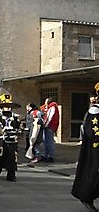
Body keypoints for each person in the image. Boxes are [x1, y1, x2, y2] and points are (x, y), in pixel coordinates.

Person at [71, 82, 99, 212]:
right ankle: (87, 197)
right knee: (94, 175)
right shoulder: (95, 111)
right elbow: (93, 131)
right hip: (96, 150)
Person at [42, 97, 59, 163]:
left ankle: (50, 156)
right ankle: (46, 155)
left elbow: (50, 117)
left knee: (49, 142)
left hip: (50, 126)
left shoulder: (52, 107)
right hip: (49, 126)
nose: (45, 102)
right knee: (46, 142)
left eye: (46, 101)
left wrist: (45, 125)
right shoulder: (50, 107)